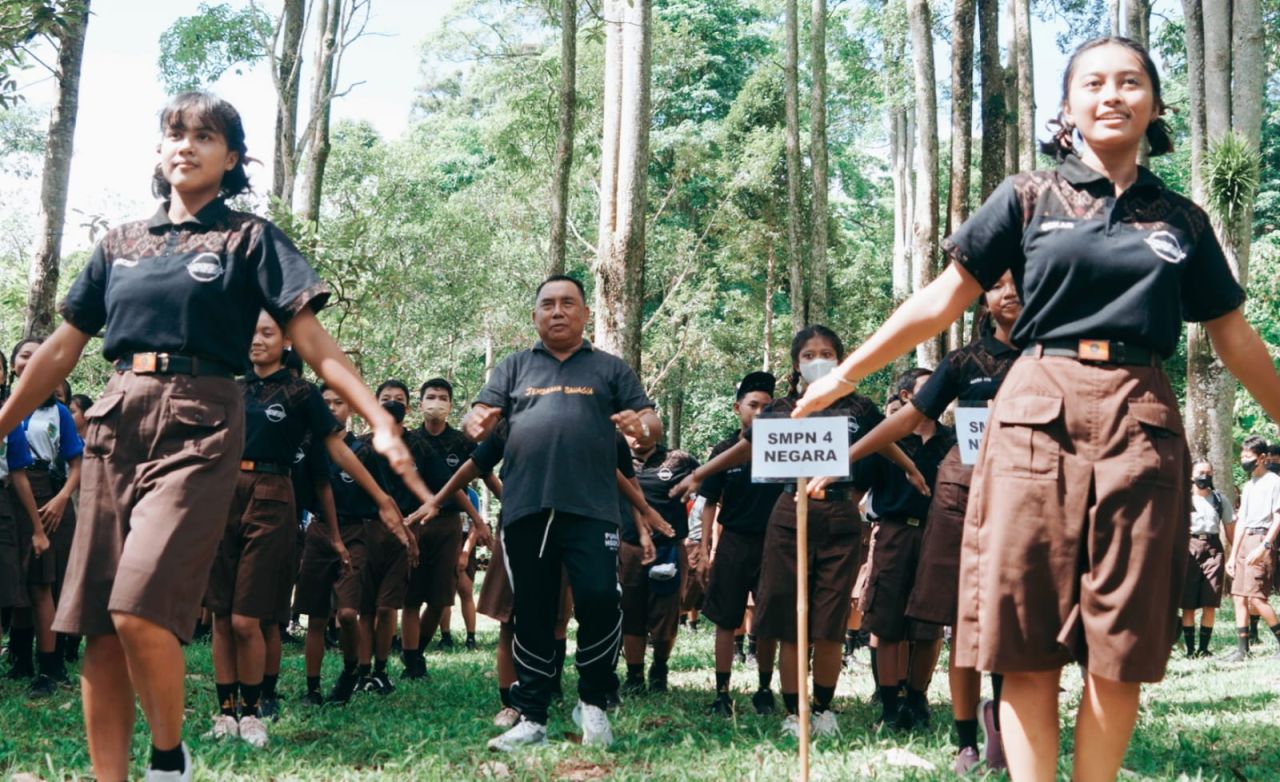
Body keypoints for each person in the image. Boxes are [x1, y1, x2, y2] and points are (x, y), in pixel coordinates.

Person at [793, 36, 1280, 782]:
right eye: (1093, 83)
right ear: (1068, 108)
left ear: (1153, 104)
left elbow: (1235, 336)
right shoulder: (1027, 197)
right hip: (1034, 415)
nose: (1111, 94)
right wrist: (845, 374)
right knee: (1024, 633)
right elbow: (941, 298)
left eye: (1129, 82)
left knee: (1119, 643)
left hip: (1142, 422)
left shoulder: (1181, 219)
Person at [0, 91, 426, 782]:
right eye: (174, 132)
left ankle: (169, 760)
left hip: (202, 419)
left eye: (205, 136)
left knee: (137, 607)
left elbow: (312, 340)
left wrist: (377, 418)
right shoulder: (120, 244)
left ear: (232, 158)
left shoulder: (248, 239)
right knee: (98, 629)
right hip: (116, 417)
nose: (186, 145)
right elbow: (60, 350)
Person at [671, 325, 928, 739]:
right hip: (789, 514)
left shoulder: (858, 407)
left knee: (829, 620)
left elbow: (884, 438)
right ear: (796, 364)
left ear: (840, 359)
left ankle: (823, 708)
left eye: (827, 352)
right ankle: (795, 711)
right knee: (791, 617)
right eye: (809, 355)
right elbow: (748, 446)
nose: (818, 360)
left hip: (842, 516)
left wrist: (911, 468)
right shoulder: (779, 410)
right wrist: (701, 473)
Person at [814, 273, 1021, 771]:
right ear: (984, 301)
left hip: (1030, 497)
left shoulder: (1052, 354)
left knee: (1013, 627)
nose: (1009, 291)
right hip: (966, 497)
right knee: (966, 625)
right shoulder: (963, 361)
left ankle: (1012, 731)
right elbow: (905, 420)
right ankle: (969, 740)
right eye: (996, 284)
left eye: (1021, 281)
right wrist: (842, 453)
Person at [463, 274, 662, 751]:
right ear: (534, 316)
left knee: (600, 599)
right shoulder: (513, 368)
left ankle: (593, 702)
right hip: (526, 507)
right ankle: (531, 716)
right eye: (547, 304)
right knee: (531, 610)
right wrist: (474, 419)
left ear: (585, 314)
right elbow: (480, 414)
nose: (557, 312)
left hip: (591, 509)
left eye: (568, 303)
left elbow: (649, 422)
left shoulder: (610, 369)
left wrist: (643, 428)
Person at [698, 371, 783, 716]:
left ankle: (764, 689)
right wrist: (704, 549)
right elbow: (708, 502)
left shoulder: (784, 445)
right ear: (738, 408)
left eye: (767, 406)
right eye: (753, 405)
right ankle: (722, 692)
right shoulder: (724, 450)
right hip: (733, 541)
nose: (760, 411)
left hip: (775, 543)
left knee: (768, 621)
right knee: (725, 619)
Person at [400, 377, 493, 676]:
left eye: (442, 397)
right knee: (411, 596)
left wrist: (484, 519)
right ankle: (411, 659)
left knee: (441, 599)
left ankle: (419, 650)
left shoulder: (462, 442)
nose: (436, 402)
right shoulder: (409, 440)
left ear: (451, 406)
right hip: (413, 523)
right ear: (420, 402)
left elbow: (484, 474)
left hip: (449, 526)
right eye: (431, 396)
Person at [8, 337, 85, 697]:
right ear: (12, 365)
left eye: (39, 355)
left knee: (42, 579)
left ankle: (50, 666)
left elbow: (76, 462)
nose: (31, 360)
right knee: (18, 576)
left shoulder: (58, 412)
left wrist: (61, 499)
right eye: (25, 355)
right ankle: (19, 658)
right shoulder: (8, 407)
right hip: (9, 494)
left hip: (45, 492)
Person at [618, 433, 698, 695]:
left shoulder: (678, 460)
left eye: (644, 428)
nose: (638, 436)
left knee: (666, 616)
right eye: (631, 431)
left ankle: (660, 668)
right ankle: (634, 675)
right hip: (629, 547)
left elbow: (709, 488)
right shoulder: (616, 459)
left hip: (669, 548)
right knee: (632, 613)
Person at [1226, 436, 1280, 661]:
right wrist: (1232, 555)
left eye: (1249, 457)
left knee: (1257, 598)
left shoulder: (1274, 482)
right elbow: (1242, 522)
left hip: (1262, 538)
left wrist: (1264, 547)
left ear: (1262, 458)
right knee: (1238, 596)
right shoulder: (1248, 486)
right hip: (1246, 539)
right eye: (1242, 456)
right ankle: (1242, 649)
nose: (1244, 460)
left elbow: (1277, 519)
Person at [1180, 459, 1229, 659]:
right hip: (1189, 549)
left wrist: (1235, 556)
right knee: (1189, 603)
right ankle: (1190, 650)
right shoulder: (1183, 499)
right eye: (1200, 472)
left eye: (1208, 472)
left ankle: (1204, 648)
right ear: (1191, 475)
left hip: (1213, 550)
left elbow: (1231, 529)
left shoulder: (1219, 500)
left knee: (1210, 601)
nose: (1204, 476)